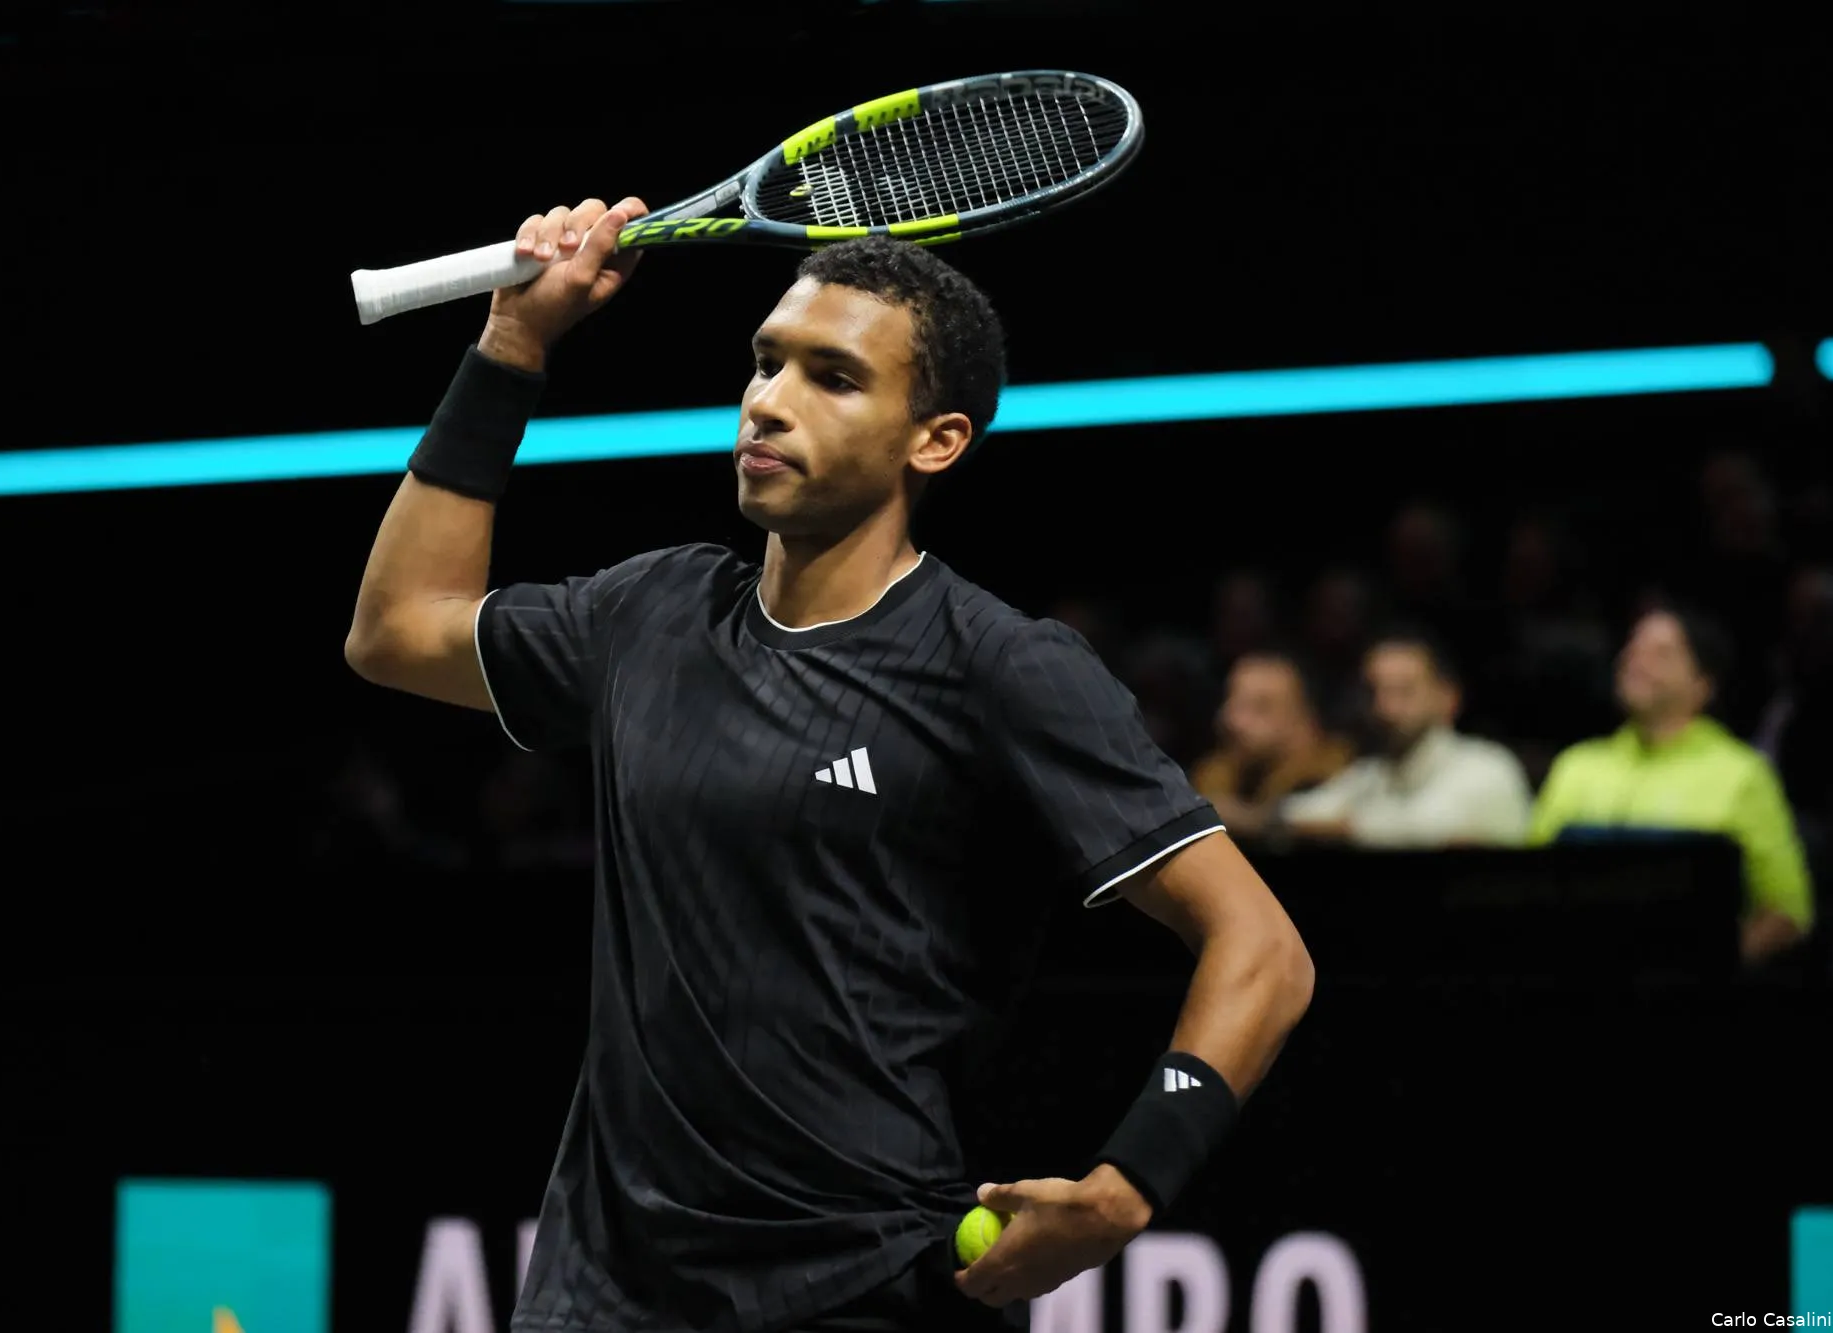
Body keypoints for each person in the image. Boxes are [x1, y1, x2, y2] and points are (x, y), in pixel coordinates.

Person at [344, 197, 1315, 1333]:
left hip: (861, 1291)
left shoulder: (998, 665)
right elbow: (398, 629)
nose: (768, 399)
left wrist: (1131, 1179)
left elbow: (1262, 949)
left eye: (831, 377)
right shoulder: (650, 614)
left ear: (935, 439)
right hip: (601, 1295)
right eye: (764, 362)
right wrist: (512, 346)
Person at [1528, 606, 1814, 966]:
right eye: (1633, 648)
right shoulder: (1576, 766)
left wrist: (1707, 970)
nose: (1636, 661)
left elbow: (1788, 912)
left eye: (1661, 653)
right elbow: (1530, 886)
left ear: (1703, 684)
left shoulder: (1742, 774)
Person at [1281, 631, 1532, 848]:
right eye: (1375, 691)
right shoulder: (1372, 774)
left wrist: (1347, 826)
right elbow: (1291, 814)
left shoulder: (1489, 767)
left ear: (1448, 697)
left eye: (1404, 691)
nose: (1384, 707)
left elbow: (1435, 830)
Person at [1188, 650, 1353, 840]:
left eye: (1261, 707)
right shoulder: (1215, 774)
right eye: (1232, 702)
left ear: (1305, 721)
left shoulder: (1339, 776)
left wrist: (1253, 820)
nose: (1232, 720)